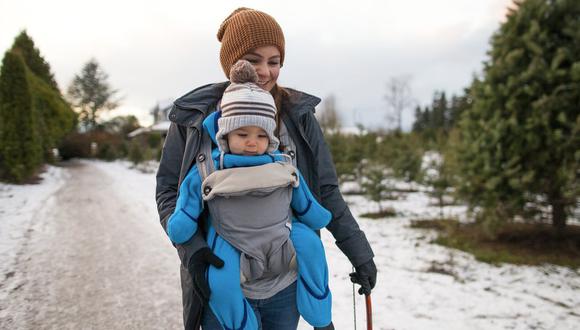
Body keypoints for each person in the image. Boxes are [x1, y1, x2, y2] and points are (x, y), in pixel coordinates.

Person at [156, 7, 377, 330]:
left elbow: (324, 191)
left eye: (274, 62)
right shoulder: (192, 117)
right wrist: (193, 250)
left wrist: (359, 251)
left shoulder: (298, 118)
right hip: (221, 279)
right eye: (253, 60)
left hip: (284, 282)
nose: (264, 71)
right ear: (231, 64)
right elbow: (167, 191)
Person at [166, 59, 333, 329]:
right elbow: (186, 200)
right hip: (232, 241)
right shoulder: (209, 167)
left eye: (261, 135)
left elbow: (304, 199)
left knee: (311, 247)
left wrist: (316, 215)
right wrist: (185, 230)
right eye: (242, 133)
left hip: (281, 239)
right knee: (220, 280)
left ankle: (319, 313)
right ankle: (240, 324)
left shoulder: (282, 165)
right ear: (225, 135)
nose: (252, 142)